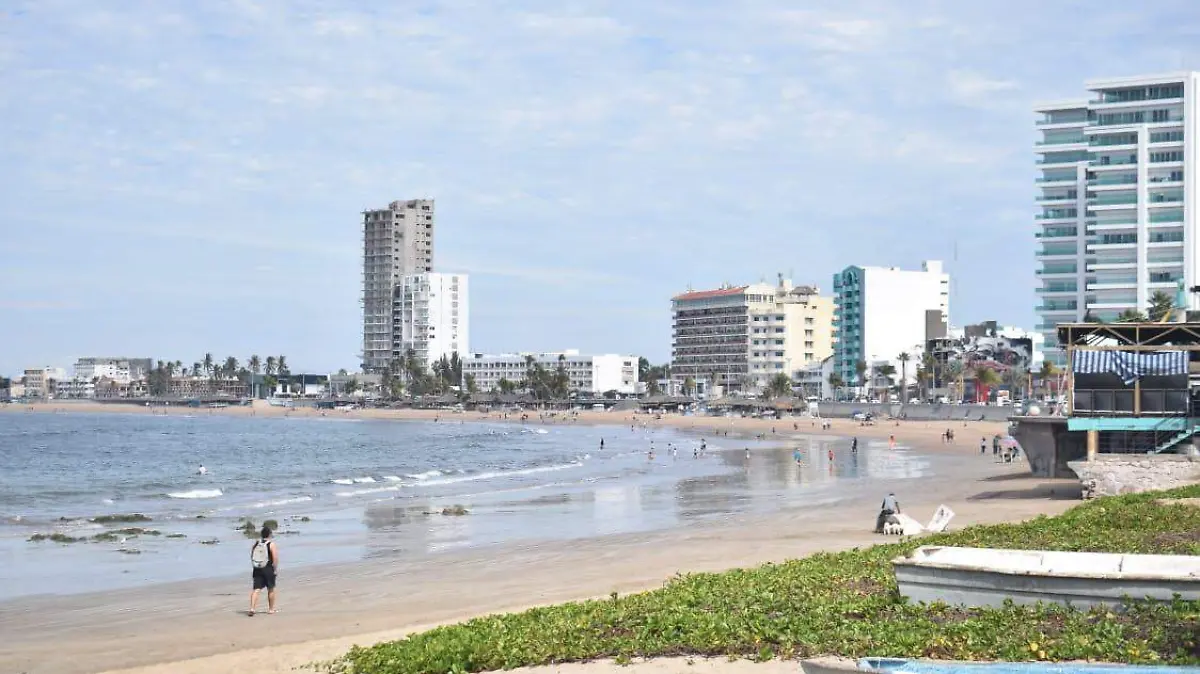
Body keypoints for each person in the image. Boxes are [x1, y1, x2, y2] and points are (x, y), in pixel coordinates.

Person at [249, 526, 278, 616]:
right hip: (268, 568)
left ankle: (252, 608)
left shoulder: (256, 543)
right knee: (270, 589)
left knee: (256, 589)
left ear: (261, 534)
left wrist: (255, 565)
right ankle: (271, 609)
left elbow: (252, 555)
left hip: (257, 568)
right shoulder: (271, 544)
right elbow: (275, 558)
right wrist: (275, 569)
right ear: (269, 534)